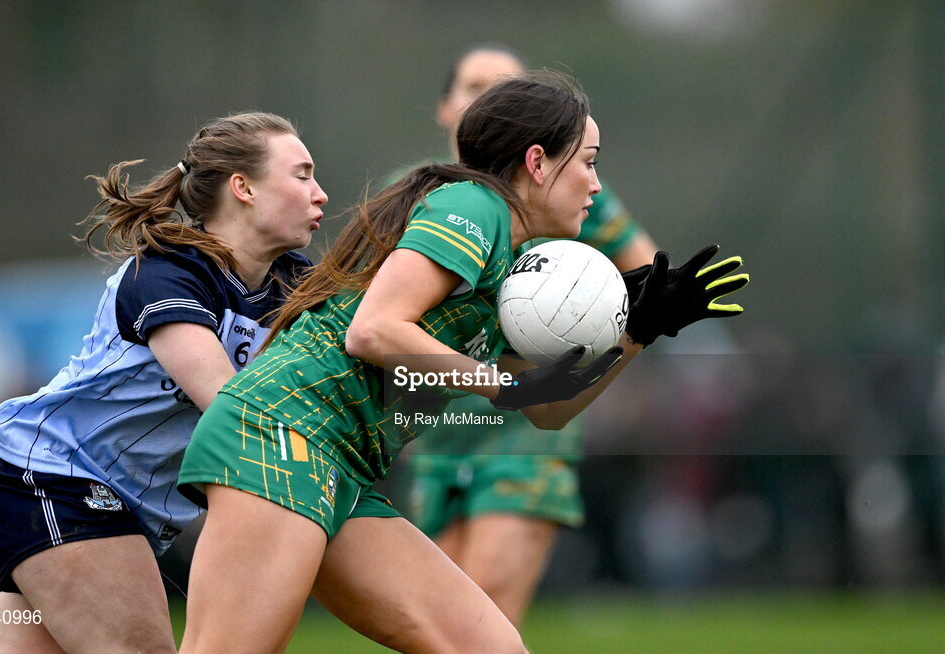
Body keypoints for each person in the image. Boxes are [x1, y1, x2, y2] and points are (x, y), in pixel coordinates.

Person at [176, 72, 748, 654]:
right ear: (537, 162)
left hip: (343, 468)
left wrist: (637, 332)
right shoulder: (475, 205)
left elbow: (548, 408)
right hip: (281, 433)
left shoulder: (521, 267)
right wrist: (500, 386)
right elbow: (374, 330)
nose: (596, 186)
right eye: (589, 162)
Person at [0, 112, 327, 654]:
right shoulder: (165, 271)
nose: (320, 193)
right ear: (244, 188)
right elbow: (229, 406)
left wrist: (497, 385)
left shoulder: (293, 284)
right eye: (301, 175)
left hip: (108, 504)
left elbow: (370, 369)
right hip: (54, 481)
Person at [403, 43, 659, 626]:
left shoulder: (572, 184)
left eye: (504, 87)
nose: (488, 99)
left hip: (522, 428)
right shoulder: (424, 194)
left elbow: (646, 274)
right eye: (474, 87)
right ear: (445, 109)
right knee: (435, 625)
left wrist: (581, 325)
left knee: (483, 613)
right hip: (442, 429)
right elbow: (374, 324)